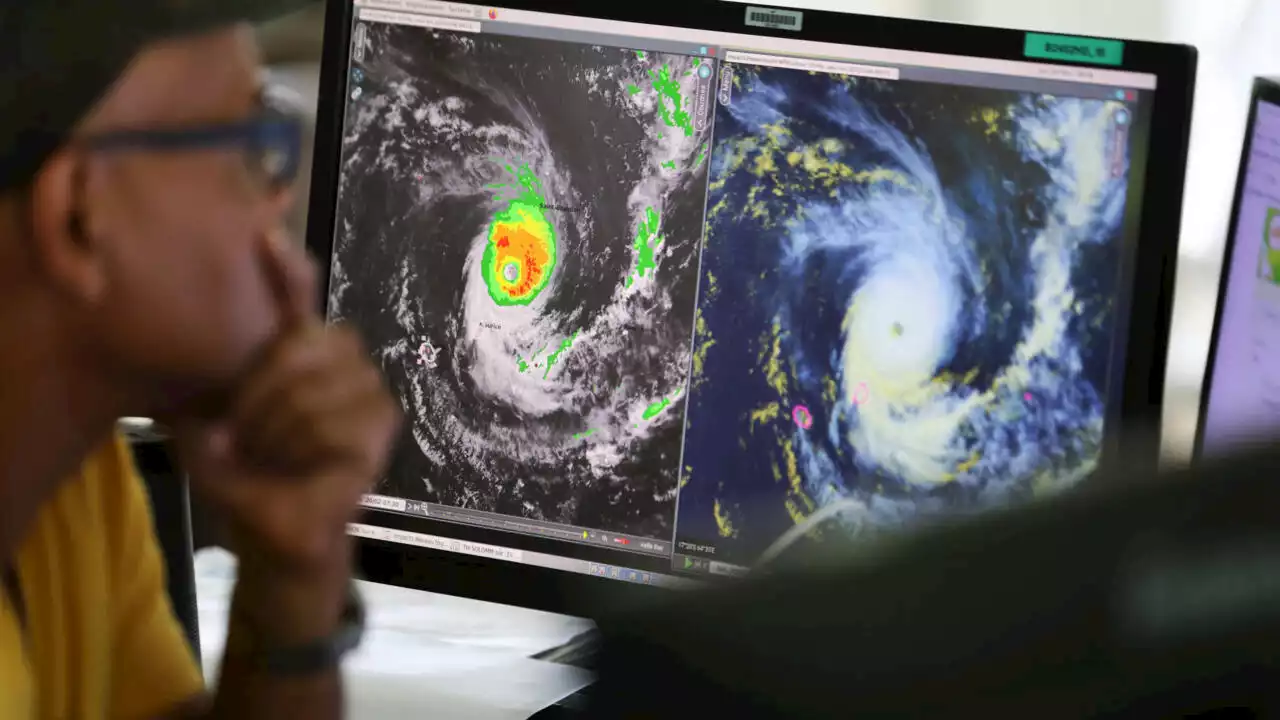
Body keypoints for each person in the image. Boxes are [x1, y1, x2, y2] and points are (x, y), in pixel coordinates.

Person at [0, 2, 401, 718]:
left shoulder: (72, 486)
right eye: (253, 144)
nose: (279, 197)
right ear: (77, 218)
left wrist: (292, 585)